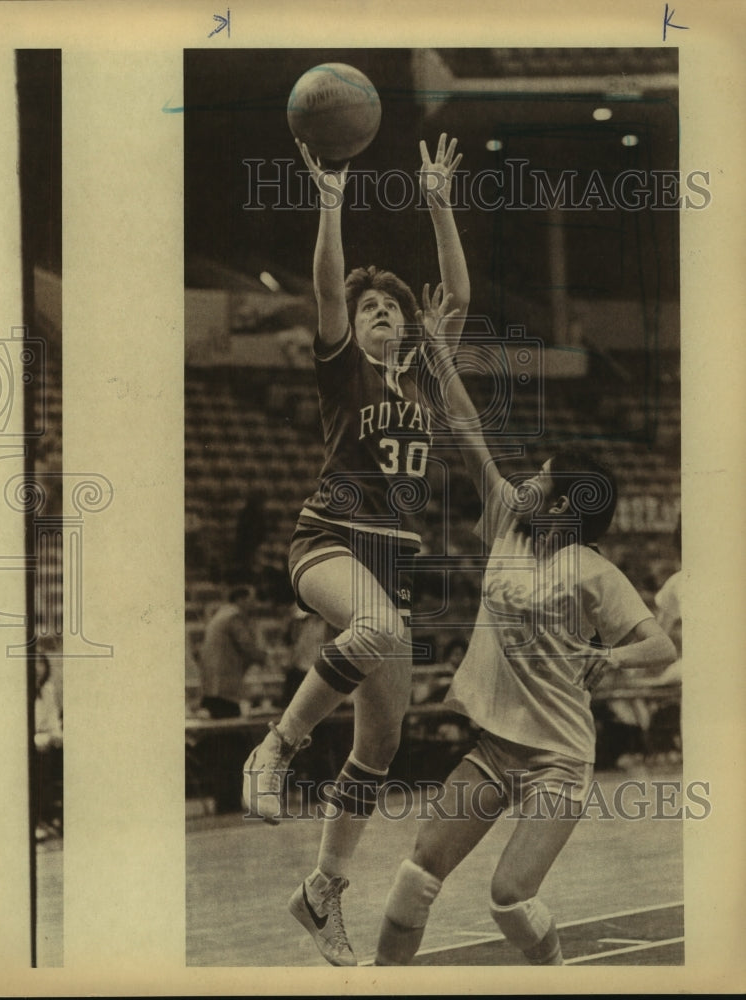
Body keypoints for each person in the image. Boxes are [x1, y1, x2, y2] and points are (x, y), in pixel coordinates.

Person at [374, 289, 677, 966]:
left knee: (508, 898)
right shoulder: (508, 520)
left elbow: (659, 646)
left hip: (557, 759)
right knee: (412, 879)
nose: (529, 479)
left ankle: (554, 973)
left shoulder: (593, 572)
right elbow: (465, 425)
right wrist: (436, 350)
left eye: (542, 476)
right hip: (493, 748)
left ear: (565, 502)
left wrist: (611, 661)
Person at [242, 133, 470, 966]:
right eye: (370, 307)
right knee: (372, 634)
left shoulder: (424, 374)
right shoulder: (342, 366)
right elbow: (326, 289)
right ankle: (274, 748)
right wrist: (330, 198)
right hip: (329, 541)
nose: (382, 314)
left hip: (390, 562)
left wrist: (438, 202)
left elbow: (459, 293)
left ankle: (321, 892)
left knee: (380, 746)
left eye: (391, 309)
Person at [199, 584, 266, 812]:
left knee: (223, 747)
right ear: (241, 598)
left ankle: (226, 801)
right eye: (252, 599)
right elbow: (248, 647)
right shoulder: (234, 617)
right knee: (232, 748)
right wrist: (266, 658)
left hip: (213, 689)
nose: (255, 605)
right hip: (224, 691)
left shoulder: (220, 616)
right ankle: (229, 802)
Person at [34, 651, 63, 841]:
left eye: (41, 663)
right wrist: (37, 738)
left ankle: (54, 816)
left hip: (46, 739)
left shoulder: (48, 689)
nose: (37, 668)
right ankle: (38, 820)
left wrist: (56, 737)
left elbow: (53, 721)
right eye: (33, 664)